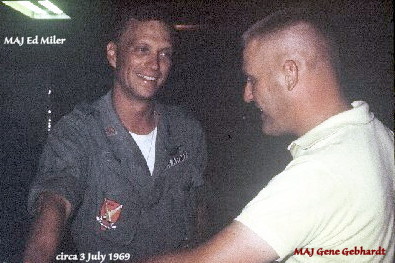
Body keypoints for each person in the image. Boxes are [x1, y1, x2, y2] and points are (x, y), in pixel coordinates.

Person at [139, 8, 394, 263]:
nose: (247, 95)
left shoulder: (319, 174)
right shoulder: (379, 135)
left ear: (290, 73)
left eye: (253, 79)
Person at [23, 5, 207, 263]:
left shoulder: (186, 131)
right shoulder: (78, 132)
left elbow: (198, 208)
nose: (154, 65)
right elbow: (54, 202)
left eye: (164, 54)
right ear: (113, 55)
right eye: (142, 50)